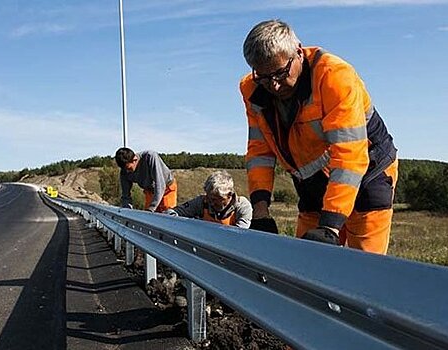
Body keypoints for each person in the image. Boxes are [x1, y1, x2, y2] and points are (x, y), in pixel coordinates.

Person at [240, 20, 398, 254]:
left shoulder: (334, 76)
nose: (273, 85)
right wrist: (261, 212)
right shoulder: (252, 90)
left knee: (365, 271)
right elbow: (260, 153)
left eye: (280, 73)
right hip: (312, 185)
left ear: (299, 52)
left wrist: (330, 227)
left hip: (367, 176)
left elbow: (349, 157)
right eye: (262, 76)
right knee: (307, 265)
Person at [165, 170, 252, 228]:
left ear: (229, 195)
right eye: (208, 197)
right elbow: (171, 213)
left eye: (214, 199)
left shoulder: (242, 206)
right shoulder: (201, 202)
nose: (210, 202)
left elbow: (240, 236)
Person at [115, 147, 177, 212]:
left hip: (166, 189)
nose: (127, 172)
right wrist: (127, 211)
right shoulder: (124, 172)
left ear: (135, 160)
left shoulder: (150, 157)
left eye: (129, 168)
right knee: (149, 218)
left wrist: (152, 208)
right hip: (150, 191)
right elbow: (125, 195)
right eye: (125, 170)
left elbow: (160, 185)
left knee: (167, 215)